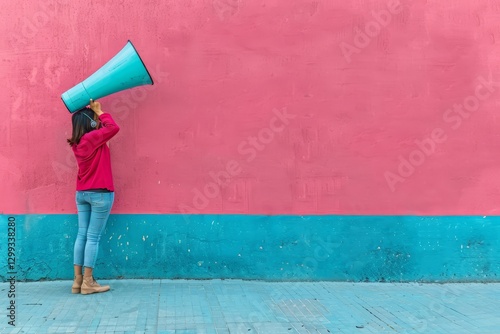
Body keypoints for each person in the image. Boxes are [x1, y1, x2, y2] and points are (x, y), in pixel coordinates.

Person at [67, 99, 120, 294]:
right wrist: (100, 111)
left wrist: (95, 115)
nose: (97, 121)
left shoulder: (78, 143)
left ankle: (78, 281)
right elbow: (113, 127)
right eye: (94, 120)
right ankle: (88, 283)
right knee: (93, 238)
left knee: (82, 235)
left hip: (82, 193)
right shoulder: (92, 139)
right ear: (91, 124)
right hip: (100, 194)